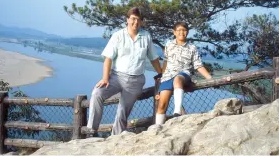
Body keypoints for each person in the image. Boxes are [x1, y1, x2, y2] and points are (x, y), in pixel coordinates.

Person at [87, 7, 162, 135]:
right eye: (133, 19)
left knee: (122, 112)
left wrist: (162, 74)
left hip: (135, 80)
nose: (135, 22)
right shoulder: (118, 35)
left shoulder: (146, 37)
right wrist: (105, 78)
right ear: (127, 20)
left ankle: (114, 139)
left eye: (138, 20)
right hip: (116, 77)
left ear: (142, 22)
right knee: (97, 94)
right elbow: (108, 59)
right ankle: (92, 130)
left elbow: (154, 59)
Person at [155, 22, 212, 125]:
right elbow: (166, 62)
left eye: (184, 30)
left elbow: (198, 65)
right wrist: (162, 79)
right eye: (179, 30)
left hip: (184, 74)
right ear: (174, 32)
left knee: (178, 79)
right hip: (168, 76)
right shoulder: (169, 44)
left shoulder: (192, 47)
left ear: (187, 32)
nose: (182, 32)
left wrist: (210, 78)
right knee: (162, 105)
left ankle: (177, 112)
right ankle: (157, 128)